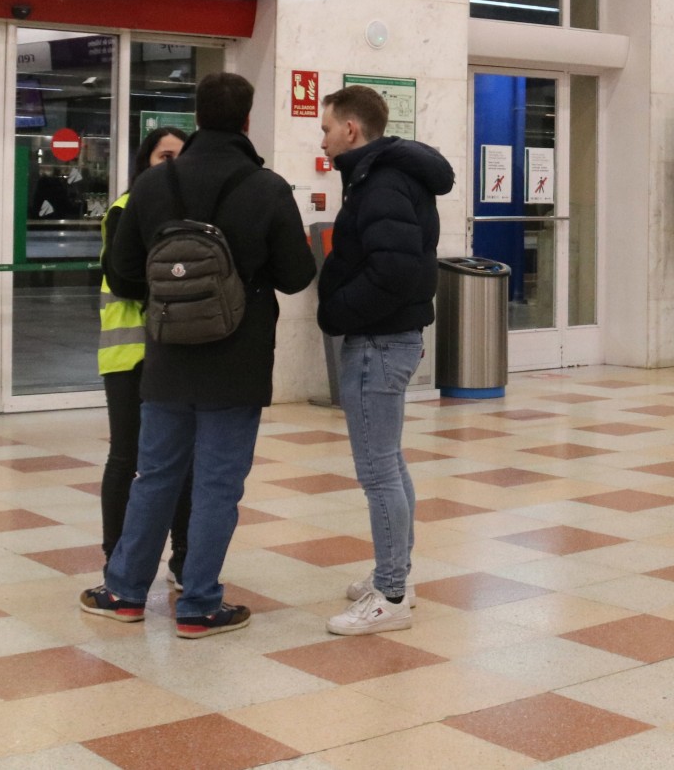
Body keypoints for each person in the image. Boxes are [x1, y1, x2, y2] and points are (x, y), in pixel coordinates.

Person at [81, 75, 316, 637]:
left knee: (155, 474)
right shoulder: (267, 187)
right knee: (217, 484)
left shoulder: (154, 184)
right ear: (247, 120)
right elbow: (296, 275)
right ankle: (199, 604)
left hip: (168, 355)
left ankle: (124, 591)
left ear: (197, 117)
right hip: (239, 358)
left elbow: (122, 274)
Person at [316, 85, 455, 636]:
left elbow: (394, 270)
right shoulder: (380, 177)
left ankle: (391, 594)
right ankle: (395, 574)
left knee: (377, 471)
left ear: (351, 129)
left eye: (327, 129)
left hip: (378, 341)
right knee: (389, 463)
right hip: (387, 338)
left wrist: (337, 310)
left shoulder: (381, 183)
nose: (323, 141)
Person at [97, 126, 188, 570]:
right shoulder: (125, 208)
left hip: (176, 352)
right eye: (164, 156)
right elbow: (122, 278)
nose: (173, 166)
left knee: (184, 460)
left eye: (181, 157)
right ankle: (115, 560)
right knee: (126, 456)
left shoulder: (192, 214)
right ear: (145, 162)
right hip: (129, 355)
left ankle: (184, 559)